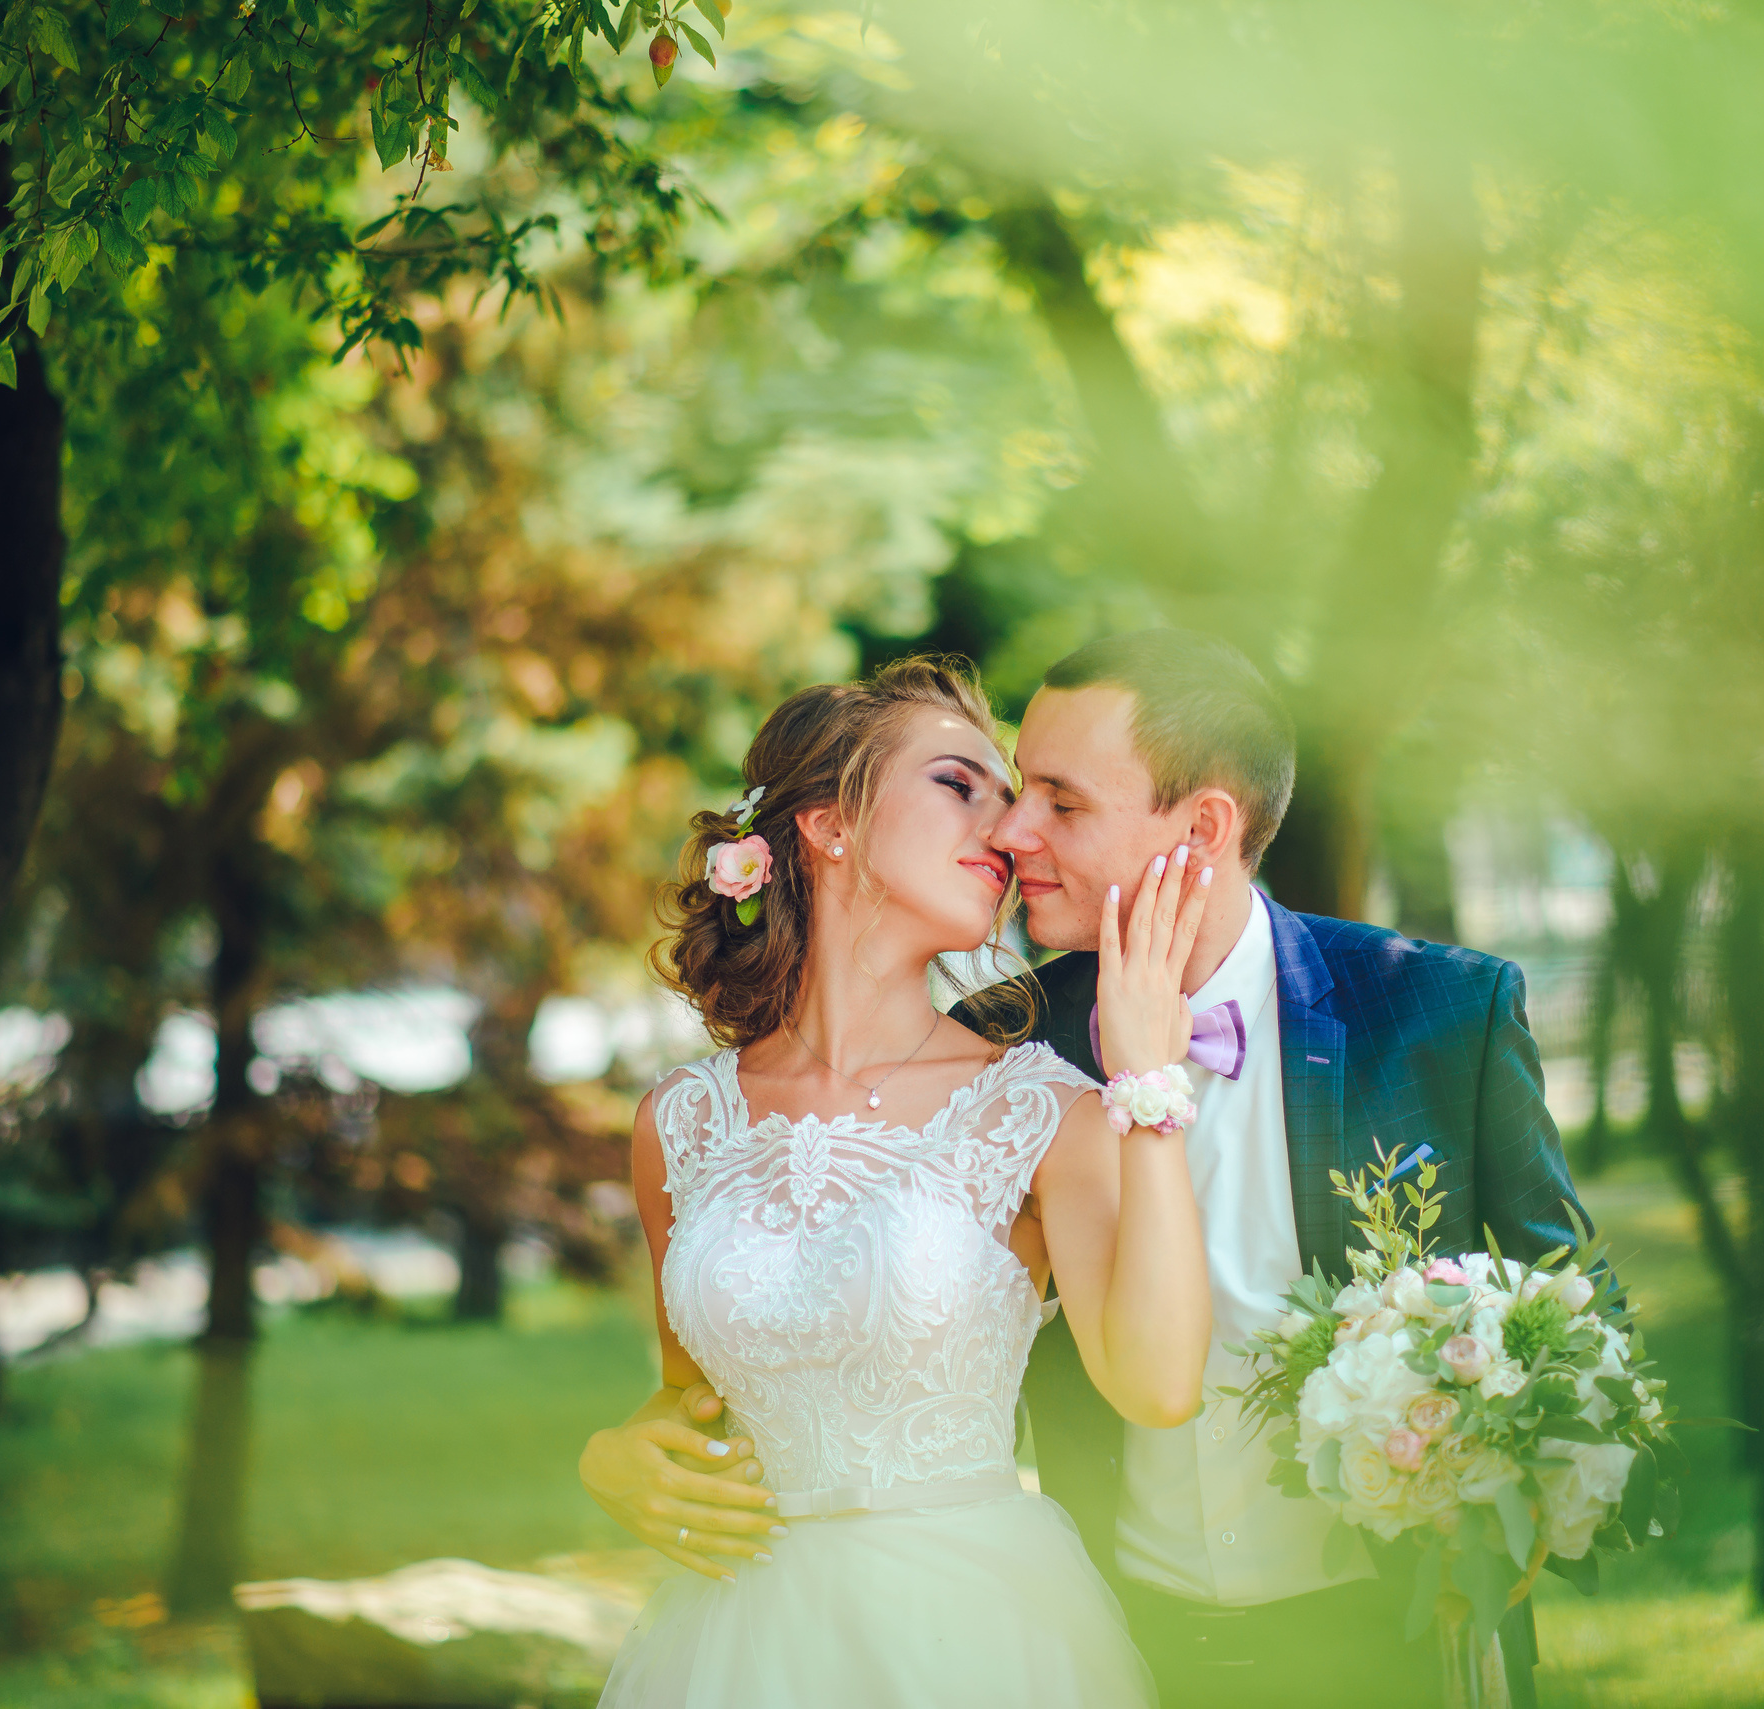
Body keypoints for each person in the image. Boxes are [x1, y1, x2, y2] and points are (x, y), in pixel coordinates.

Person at [591, 631, 1592, 1708]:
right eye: (988, 789)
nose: (1014, 831)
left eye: (1056, 801)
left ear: (1203, 826)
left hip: (1391, 1631)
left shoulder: (1435, 1014)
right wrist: (619, 1453)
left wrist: (1506, 1482)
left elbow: (1568, 1317)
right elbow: (732, 1375)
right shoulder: (1017, 1043)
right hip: (1116, 1621)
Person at [579, 655, 1215, 1709]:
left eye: (1008, 797)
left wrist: (1147, 1077)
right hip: (734, 1649)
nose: (1010, 831)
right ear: (828, 826)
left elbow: (1157, 1384)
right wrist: (614, 1457)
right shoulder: (680, 1122)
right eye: (960, 783)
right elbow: (693, 1408)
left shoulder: (1041, 1109)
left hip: (970, 1638)